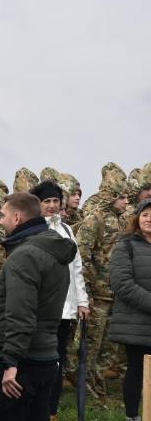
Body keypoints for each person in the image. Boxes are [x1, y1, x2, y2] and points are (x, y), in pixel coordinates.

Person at [0, 192, 75, 421]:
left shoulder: (25, 255)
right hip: (46, 355)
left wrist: (10, 363)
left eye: (3, 215)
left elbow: (20, 313)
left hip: (23, 363)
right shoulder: (51, 250)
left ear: (16, 218)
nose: (0, 220)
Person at [30, 181, 89, 420]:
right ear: (38, 204)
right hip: (41, 307)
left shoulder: (66, 229)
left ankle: (51, 411)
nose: (52, 205)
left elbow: (76, 267)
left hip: (65, 307)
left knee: (58, 359)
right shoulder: (33, 229)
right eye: (47, 201)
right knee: (39, 359)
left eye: (55, 201)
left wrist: (82, 301)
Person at [76, 167, 129, 396]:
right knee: (91, 346)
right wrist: (86, 291)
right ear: (111, 196)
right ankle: (87, 391)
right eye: (122, 197)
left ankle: (99, 387)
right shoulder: (94, 219)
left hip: (117, 294)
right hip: (97, 295)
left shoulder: (123, 221)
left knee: (110, 346)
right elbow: (81, 255)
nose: (127, 202)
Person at [107, 198, 151, 421]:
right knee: (137, 369)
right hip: (136, 322)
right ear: (137, 218)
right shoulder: (126, 245)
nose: (149, 218)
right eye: (145, 214)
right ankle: (132, 416)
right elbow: (122, 283)